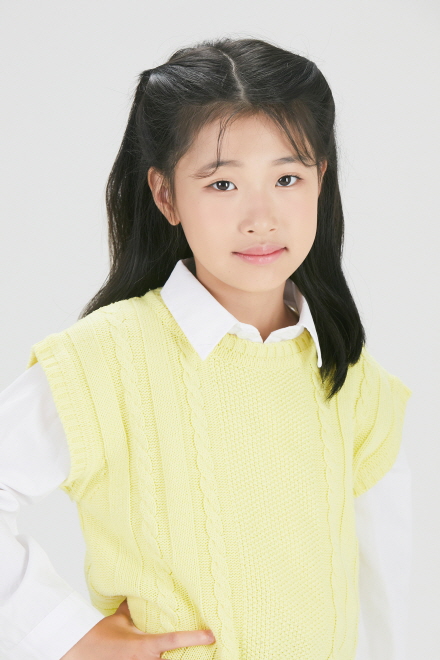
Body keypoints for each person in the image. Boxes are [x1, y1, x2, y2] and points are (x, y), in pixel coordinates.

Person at [0, 36, 412, 660]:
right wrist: (65, 636)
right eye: (222, 184)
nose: (260, 217)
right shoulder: (105, 364)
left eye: (287, 178)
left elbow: (388, 585)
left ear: (321, 182)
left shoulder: (353, 381)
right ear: (166, 195)